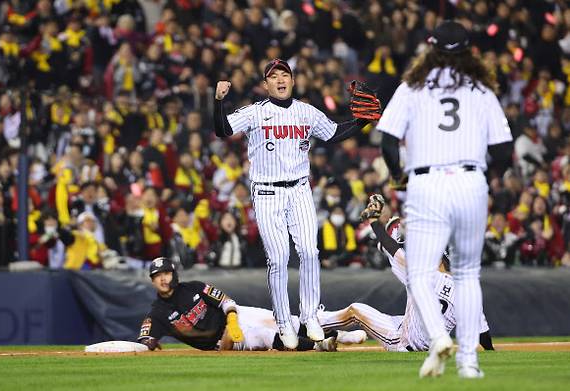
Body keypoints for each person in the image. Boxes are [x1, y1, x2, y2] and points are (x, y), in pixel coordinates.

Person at [213, 58, 381, 348]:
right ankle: (282, 322)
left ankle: (310, 315)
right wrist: (217, 102)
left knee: (309, 250)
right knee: (278, 258)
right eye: (274, 76)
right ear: (266, 85)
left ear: (292, 81)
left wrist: (363, 122)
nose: (280, 79)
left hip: (300, 188)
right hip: (266, 191)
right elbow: (223, 130)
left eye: (285, 74)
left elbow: (335, 133)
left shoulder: (306, 111)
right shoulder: (255, 113)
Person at [377, 21, 513, 378]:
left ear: (431, 47)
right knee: (467, 275)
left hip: (428, 182)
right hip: (470, 181)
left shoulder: (413, 86)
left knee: (420, 272)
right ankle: (469, 362)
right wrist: (484, 176)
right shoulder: (480, 88)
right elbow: (504, 149)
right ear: (467, 50)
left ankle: (438, 337)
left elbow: (388, 141)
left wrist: (396, 175)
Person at [330, 194, 494, 353]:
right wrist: (491, 350)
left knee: (355, 310)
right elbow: (482, 334)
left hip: (403, 342)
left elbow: (395, 250)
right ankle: (327, 334)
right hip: (418, 337)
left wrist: (374, 222)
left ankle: (313, 327)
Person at [136, 257, 367, 352]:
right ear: (152, 281)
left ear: (174, 274)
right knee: (266, 336)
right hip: (222, 341)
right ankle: (320, 347)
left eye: (166, 273)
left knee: (287, 322)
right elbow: (145, 340)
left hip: (235, 317)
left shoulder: (194, 287)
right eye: (157, 275)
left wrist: (233, 318)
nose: (163, 278)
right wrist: (149, 343)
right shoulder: (157, 313)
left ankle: (341, 336)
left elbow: (226, 301)